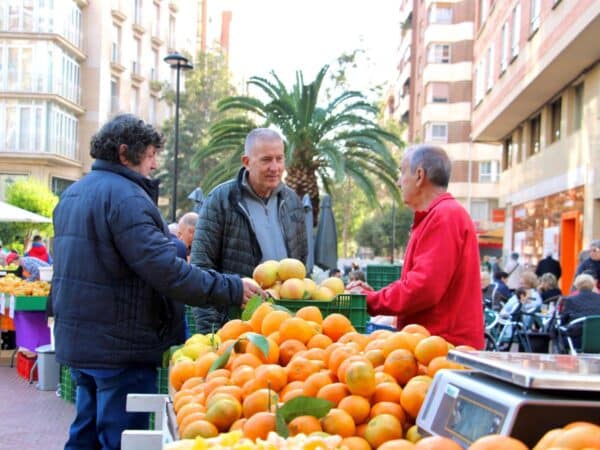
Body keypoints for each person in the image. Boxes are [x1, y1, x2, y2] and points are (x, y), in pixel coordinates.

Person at [51, 114, 262, 450]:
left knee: (85, 433)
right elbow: (166, 271)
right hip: (121, 345)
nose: (153, 165)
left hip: (82, 340)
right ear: (124, 153)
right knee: (121, 439)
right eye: (149, 156)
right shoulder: (127, 199)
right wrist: (232, 287)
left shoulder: (73, 194)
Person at [347, 145, 484, 348]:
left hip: (443, 349)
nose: (399, 181)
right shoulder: (438, 216)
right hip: (432, 346)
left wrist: (372, 300)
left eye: (402, 172)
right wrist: (375, 295)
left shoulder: (444, 216)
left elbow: (423, 288)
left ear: (419, 175)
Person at [191, 128, 308, 333]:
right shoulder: (220, 200)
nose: (275, 167)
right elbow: (201, 270)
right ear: (246, 161)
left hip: (285, 327)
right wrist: (210, 332)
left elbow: (301, 265)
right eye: (266, 160)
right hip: (235, 326)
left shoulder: (293, 202)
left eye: (279, 159)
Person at [559, 273, 600, 349]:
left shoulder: (570, 300)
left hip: (577, 340)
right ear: (593, 285)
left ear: (577, 286)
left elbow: (563, 320)